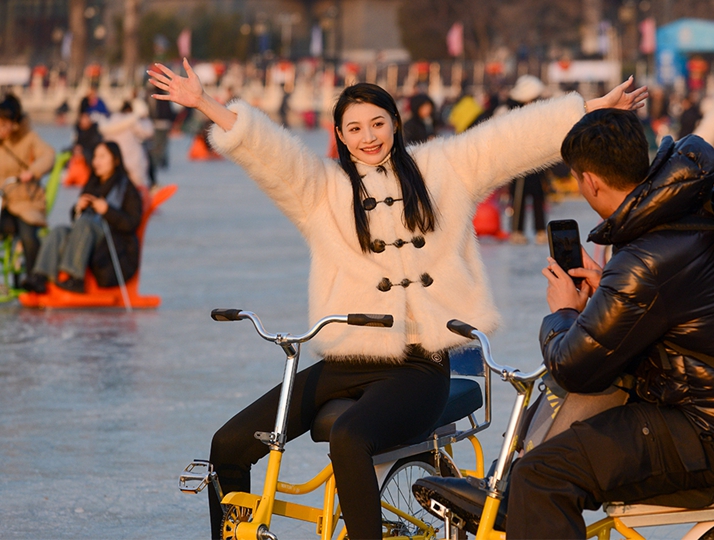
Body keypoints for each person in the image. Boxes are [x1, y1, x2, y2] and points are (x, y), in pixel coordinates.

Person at [148, 59, 646, 540]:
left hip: (418, 365)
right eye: (355, 128)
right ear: (340, 136)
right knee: (228, 444)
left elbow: (507, 141)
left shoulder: (442, 170)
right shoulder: (322, 192)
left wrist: (592, 108)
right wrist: (205, 102)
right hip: (349, 359)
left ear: (395, 124)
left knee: (349, 437)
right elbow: (270, 153)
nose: (368, 137)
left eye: (377, 123)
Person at [505, 109, 714, 539]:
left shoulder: (642, 258)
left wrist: (563, 311)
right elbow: (668, 309)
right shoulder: (680, 214)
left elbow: (574, 368)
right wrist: (607, 295)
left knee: (540, 476)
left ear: (591, 181)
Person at [27, 141, 143, 294]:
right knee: (59, 231)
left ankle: (75, 278)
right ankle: (40, 277)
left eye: (102, 157)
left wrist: (107, 210)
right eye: (95, 157)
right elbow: (76, 220)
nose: (96, 161)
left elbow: (132, 223)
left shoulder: (126, 187)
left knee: (85, 224)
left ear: (115, 160)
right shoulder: (93, 183)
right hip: (87, 236)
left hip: (112, 242)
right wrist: (77, 209)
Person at [0, 93, 55, 286]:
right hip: (4, 204)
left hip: (26, 202)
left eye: (4, 125)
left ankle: (35, 279)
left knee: (29, 237)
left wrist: (32, 172)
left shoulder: (29, 138)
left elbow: (48, 155)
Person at [504, 75, 552, 244]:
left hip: (537, 160)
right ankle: (517, 230)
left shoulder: (541, 112)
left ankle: (540, 230)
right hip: (519, 161)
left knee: (538, 196)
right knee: (518, 197)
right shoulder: (512, 112)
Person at [95, 100, 154, 189]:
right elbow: (148, 132)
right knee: (138, 187)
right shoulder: (133, 121)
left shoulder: (111, 121)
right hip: (134, 160)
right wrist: (143, 117)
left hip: (116, 160)